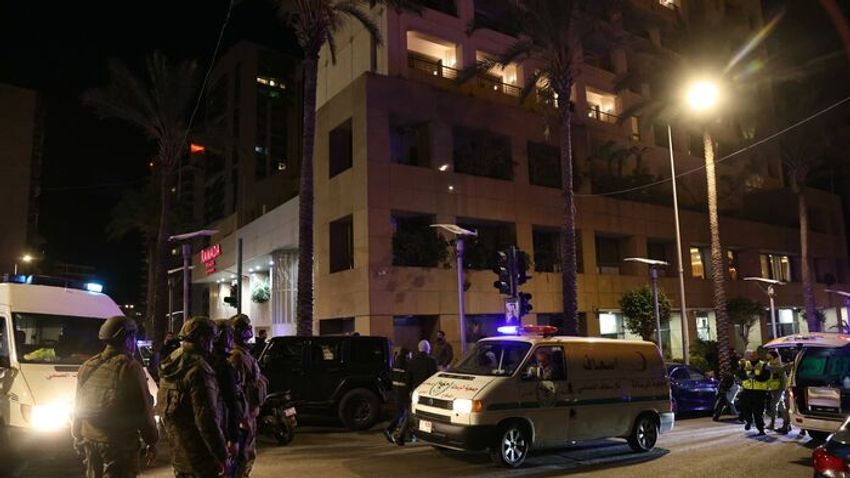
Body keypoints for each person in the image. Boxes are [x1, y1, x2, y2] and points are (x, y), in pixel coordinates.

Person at [72, 315, 158, 478]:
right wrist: (151, 441)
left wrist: (77, 435)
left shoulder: (88, 365)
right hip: (118, 444)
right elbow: (143, 410)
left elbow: (78, 406)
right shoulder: (130, 367)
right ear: (127, 338)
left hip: (89, 438)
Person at [156, 317, 230, 477]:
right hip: (202, 458)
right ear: (203, 340)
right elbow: (206, 420)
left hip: (179, 455)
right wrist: (222, 456)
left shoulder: (170, 363)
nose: (212, 345)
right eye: (211, 340)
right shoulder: (199, 370)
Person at [229, 314, 269, 478]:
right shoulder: (236, 356)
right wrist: (242, 417)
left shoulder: (245, 353)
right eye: (245, 327)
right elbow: (236, 391)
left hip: (250, 413)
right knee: (242, 457)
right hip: (244, 416)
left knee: (247, 456)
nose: (249, 330)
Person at [214, 319, 246, 472]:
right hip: (219, 427)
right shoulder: (223, 365)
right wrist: (233, 438)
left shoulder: (201, 361)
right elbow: (232, 402)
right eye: (229, 334)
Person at [737, 350, 770, 436]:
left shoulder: (763, 365)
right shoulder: (745, 364)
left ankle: (761, 429)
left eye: (754, 355)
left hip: (759, 392)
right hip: (747, 391)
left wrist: (756, 377)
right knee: (746, 409)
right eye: (751, 356)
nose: (752, 357)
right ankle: (748, 421)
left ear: (758, 356)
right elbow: (739, 374)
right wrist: (746, 377)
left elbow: (766, 376)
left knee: (758, 411)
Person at [385, 347, 411, 444]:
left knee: (400, 411)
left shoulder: (395, 363)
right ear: (407, 354)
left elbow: (391, 375)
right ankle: (390, 429)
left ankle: (398, 431)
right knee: (402, 412)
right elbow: (408, 378)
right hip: (402, 390)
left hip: (395, 389)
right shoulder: (406, 364)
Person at [765, 350, 791, 434]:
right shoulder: (771, 363)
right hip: (774, 387)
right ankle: (787, 424)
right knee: (780, 406)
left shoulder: (777, 363)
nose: (767, 355)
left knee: (773, 405)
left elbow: (779, 371)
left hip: (779, 387)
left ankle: (773, 423)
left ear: (772, 355)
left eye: (768, 354)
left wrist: (769, 367)